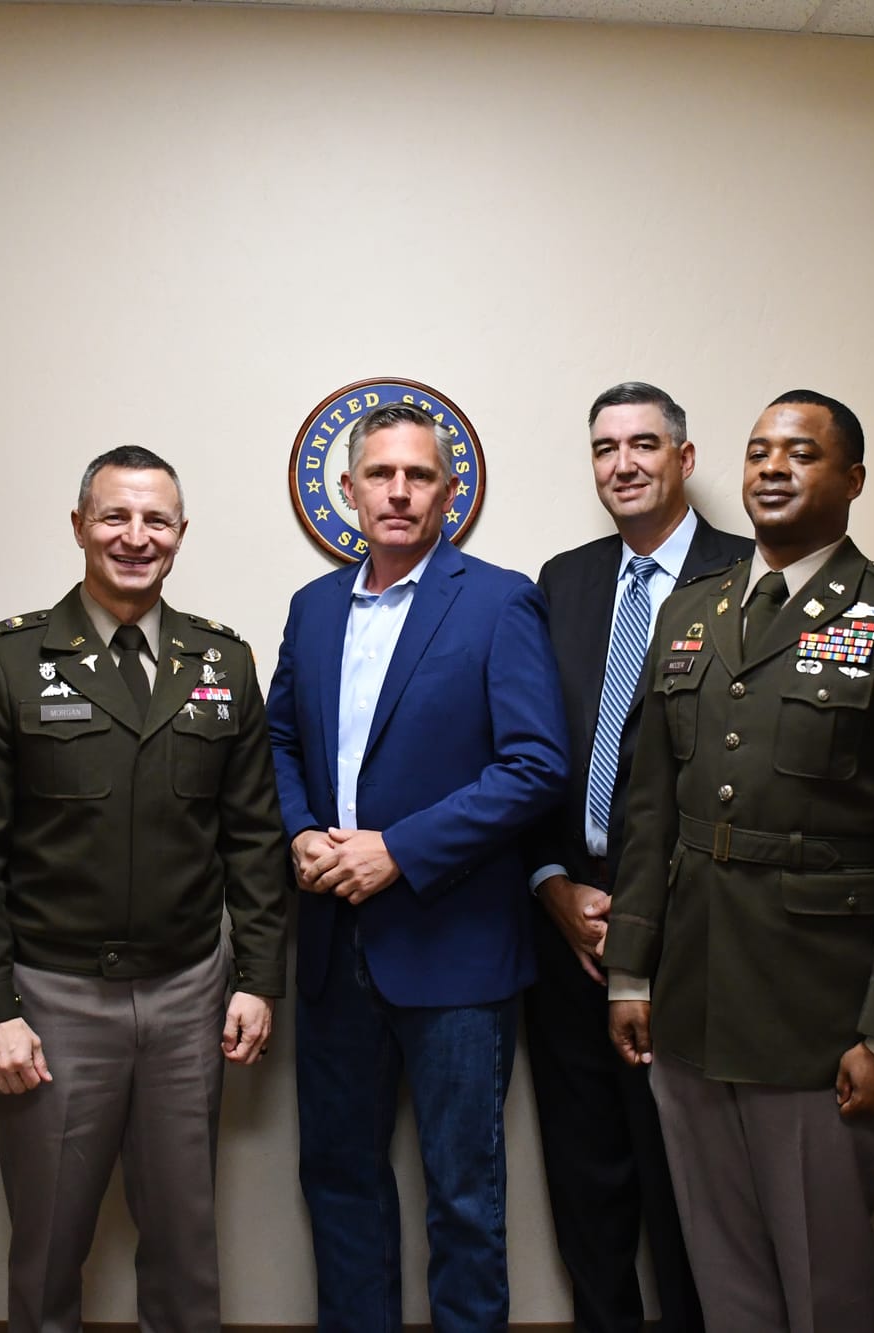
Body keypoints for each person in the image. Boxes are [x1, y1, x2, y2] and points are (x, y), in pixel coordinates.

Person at [604, 389, 874, 1332]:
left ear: (852, 480)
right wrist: (629, 970)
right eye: (760, 451)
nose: (773, 467)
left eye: (801, 453)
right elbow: (650, 810)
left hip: (821, 1018)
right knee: (723, 1268)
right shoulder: (692, 610)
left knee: (825, 1284)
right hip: (690, 1001)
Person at [0, 445, 289, 1333]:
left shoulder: (222, 662)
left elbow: (252, 835)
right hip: (52, 998)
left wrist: (257, 976)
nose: (136, 537)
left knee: (186, 1241)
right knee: (50, 1244)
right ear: (79, 526)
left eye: (156, 520)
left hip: (186, 993)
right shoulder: (9, 659)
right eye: (116, 516)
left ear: (179, 533)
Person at [269, 399, 570, 1332]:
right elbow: (277, 738)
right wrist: (300, 829)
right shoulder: (313, 607)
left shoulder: (498, 597)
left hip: (455, 949)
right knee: (340, 1179)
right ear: (350, 488)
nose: (399, 491)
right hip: (331, 945)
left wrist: (400, 849)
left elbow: (537, 764)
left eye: (420, 475)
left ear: (449, 492)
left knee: (466, 1196)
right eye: (381, 474)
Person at [522, 381, 746, 1333]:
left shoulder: (752, 572)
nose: (624, 464)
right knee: (588, 1176)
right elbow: (523, 751)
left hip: (697, 936)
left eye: (645, 444)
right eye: (606, 448)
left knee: (692, 1184)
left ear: (684, 459)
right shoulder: (562, 579)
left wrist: (649, 919)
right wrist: (550, 882)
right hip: (569, 927)